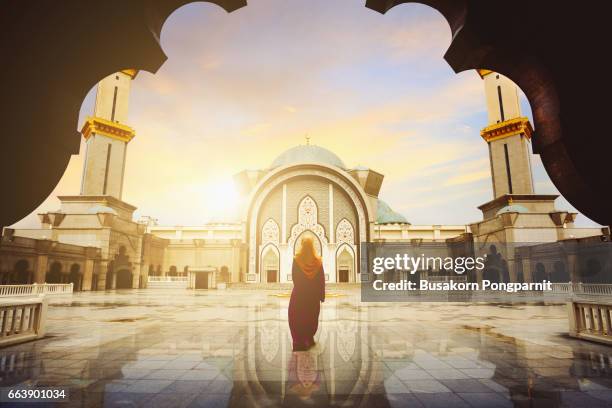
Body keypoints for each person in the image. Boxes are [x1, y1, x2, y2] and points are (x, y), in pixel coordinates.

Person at [289, 236, 325, 351]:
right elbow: (321, 280)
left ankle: (298, 342)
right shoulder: (317, 261)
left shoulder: (297, 259)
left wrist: (301, 289)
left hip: (299, 295)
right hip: (312, 296)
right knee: (311, 317)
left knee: (297, 317)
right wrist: (321, 295)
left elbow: (295, 277)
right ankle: (308, 339)